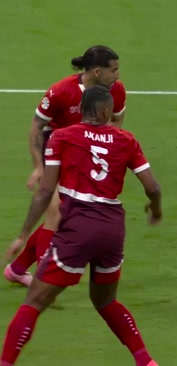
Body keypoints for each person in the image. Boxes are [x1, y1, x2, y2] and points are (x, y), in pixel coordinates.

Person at [1, 85, 161, 366]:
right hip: (112, 231)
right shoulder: (126, 139)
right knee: (106, 301)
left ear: (82, 110)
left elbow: (45, 191)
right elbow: (153, 188)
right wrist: (155, 210)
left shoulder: (62, 136)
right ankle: (146, 361)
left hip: (77, 230)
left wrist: (23, 234)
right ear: (107, 111)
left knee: (34, 302)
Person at [4, 45, 127, 288]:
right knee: (56, 213)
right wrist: (38, 167)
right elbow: (36, 127)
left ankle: (17, 269)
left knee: (66, 216)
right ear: (96, 72)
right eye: (113, 70)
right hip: (55, 151)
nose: (117, 75)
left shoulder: (116, 90)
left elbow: (117, 121)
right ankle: (42, 282)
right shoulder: (61, 91)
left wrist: (105, 150)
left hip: (82, 157)